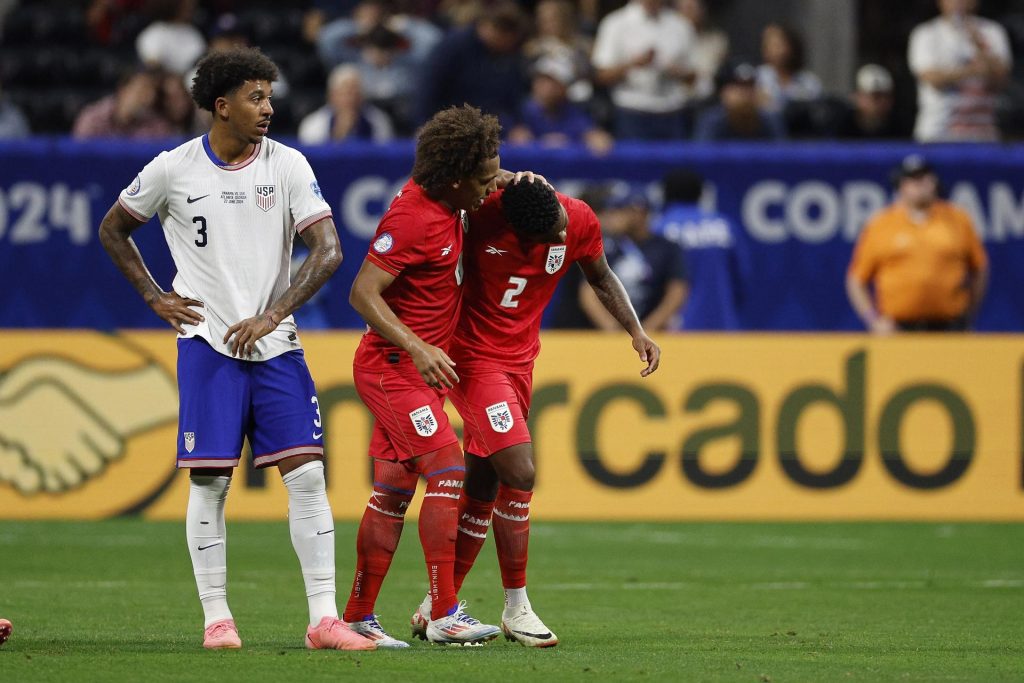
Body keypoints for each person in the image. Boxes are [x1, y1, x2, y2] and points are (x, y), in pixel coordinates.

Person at [97, 47, 373, 652]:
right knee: (210, 484)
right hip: (207, 343)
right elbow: (113, 228)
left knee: (308, 477)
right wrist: (153, 296)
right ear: (222, 106)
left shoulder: (289, 165)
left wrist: (272, 314)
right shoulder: (172, 168)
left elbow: (329, 251)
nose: (268, 108)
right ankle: (217, 620)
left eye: (269, 97)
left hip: (277, 346)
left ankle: (323, 620)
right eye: (256, 97)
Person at [407, 178, 661, 647]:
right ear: (518, 233)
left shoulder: (577, 218)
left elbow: (601, 275)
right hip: (472, 359)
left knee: (483, 484)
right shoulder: (481, 215)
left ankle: (438, 606)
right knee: (520, 471)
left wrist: (636, 330)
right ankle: (516, 607)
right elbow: (452, 179)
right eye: (550, 237)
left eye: (562, 228)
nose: (561, 238)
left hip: (521, 363)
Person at [341, 104, 508, 647]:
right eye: (483, 180)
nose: (489, 189)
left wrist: (513, 178)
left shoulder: (450, 196)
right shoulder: (413, 218)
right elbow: (362, 293)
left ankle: (358, 617)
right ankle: (443, 612)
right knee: (449, 469)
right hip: (394, 369)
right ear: (456, 178)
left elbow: (486, 180)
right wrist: (417, 347)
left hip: (410, 373)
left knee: (392, 492)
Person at [846, 155, 989, 332]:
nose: (920, 184)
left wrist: (969, 314)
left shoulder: (957, 219)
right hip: (899, 329)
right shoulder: (881, 224)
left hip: (950, 327)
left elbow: (979, 268)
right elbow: (856, 279)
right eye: (912, 179)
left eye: (925, 177)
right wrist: (873, 320)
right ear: (900, 185)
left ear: (935, 182)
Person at [580, 187, 689, 332]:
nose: (614, 216)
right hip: (613, 334)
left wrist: (648, 328)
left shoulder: (666, 248)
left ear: (639, 212)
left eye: (620, 210)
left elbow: (677, 291)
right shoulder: (607, 245)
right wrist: (612, 329)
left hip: (655, 332)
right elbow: (588, 292)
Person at [415, 2, 529, 131]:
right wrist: (423, 124)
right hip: (449, 127)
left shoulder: (506, 55)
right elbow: (429, 86)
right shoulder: (454, 46)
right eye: (507, 40)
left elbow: (512, 96)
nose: (509, 45)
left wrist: (517, 125)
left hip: (485, 128)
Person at [908, 0, 1012, 142]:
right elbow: (932, 79)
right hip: (937, 133)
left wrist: (980, 46)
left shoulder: (992, 31)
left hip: (983, 132)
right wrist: (973, 71)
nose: (959, 2)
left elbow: (1001, 81)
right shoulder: (926, 33)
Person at [653, 168, 743, 330]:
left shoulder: (659, 228)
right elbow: (741, 279)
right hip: (723, 324)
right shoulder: (724, 226)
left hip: (677, 329)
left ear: (664, 194)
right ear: (701, 193)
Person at [591, 0, 695, 140]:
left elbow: (694, 77)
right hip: (631, 113)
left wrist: (676, 71)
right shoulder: (615, 23)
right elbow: (600, 75)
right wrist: (633, 64)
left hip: (673, 113)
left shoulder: (681, 25)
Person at [508, 54, 613, 154]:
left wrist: (570, 142)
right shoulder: (522, 111)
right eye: (541, 80)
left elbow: (597, 137)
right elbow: (516, 140)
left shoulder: (573, 112)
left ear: (565, 87)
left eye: (552, 82)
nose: (545, 87)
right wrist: (539, 143)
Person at [73, 66, 180, 140]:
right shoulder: (92, 118)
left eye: (151, 93)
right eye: (141, 90)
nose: (148, 98)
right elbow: (80, 157)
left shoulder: (157, 126)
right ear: (123, 89)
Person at [297, 64, 394, 144]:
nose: (351, 98)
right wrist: (339, 133)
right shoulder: (314, 124)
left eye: (356, 93)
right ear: (332, 95)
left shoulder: (378, 121)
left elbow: (384, 155)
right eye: (346, 93)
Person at [693, 59, 786, 141]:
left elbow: (782, 152)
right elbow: (701, 153)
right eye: (739, 87)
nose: (745, 93)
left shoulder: (769, 120)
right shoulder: (712, 121)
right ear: (724, 92)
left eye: (750, 86)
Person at [756, 22, 822, 113]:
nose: (774, 51)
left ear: (791, 46)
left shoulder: (808, 82)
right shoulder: (758, 78)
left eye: (778, 45)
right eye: (768, 45)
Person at [831, 64, 910, 140]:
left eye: (886, 96)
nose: (882, 102)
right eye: (875, 97)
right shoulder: (842, 126)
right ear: (858, 96)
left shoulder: (899, 126)